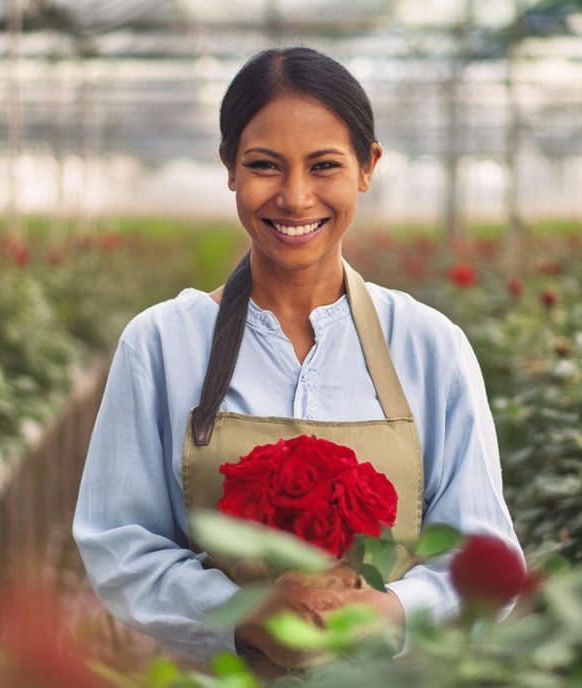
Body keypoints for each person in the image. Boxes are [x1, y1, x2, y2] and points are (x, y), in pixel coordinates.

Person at [73, 46, 521, 670]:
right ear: (229, 167)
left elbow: (485, 555)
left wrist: (391, 612)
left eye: (325, 166)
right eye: (264, 165)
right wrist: (247, 617)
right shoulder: (161, 344)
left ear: (368, 167)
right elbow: (119, 546)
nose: (295, 196)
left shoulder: (428, 345)